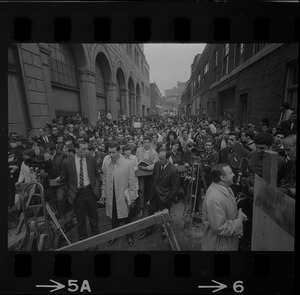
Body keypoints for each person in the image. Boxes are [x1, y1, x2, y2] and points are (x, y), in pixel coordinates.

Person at [60, 140, 100, 241]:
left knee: (94, 218)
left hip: (90, 192)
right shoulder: (67, 162)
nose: (86, 151)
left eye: (87, 148)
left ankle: (96, 239)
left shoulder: (91, 159)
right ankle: (83, 241)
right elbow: (62, 181)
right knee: (80, 220)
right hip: (77, 194)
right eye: (83, 149)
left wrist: (96, 187)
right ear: (76, 149)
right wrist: (69, 192)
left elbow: (97, 175)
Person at [201, 163, 247, 251]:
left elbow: (226, 211)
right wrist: (239, 221)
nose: (234, 174)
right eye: (230, 173)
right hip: (218, 246)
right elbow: (220, 228)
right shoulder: (216, 198)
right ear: (222, 177)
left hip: (226, 243)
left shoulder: (227, 189)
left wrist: (238, 214)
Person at [138, 150, 180, 240]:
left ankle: (164, 232)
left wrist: (169, 198)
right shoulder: (157, 165)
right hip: (154, 195)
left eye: (162, 159)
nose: (160, 160)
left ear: (168, 158)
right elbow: (154, 180)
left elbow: (175, 187)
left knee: (165, 217)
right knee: (150, 214)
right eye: (159, 158)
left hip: (165, 197)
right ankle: (148, 231)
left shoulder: (173, 170)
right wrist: (150, 196)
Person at [101, 141, 137, 247]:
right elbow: (104, 179)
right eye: (109, 153)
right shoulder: (106, 161)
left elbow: (132, 182)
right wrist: (103, 194)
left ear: (119, 151)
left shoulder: (127, 164)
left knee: (127, 217)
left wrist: (133, 197)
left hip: (123, 195)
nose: (111, 155)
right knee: (113, 217)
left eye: (113, 153)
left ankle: (129, 235)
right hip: (110, 195)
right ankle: (114, 235)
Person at [135, 136, 159, 217]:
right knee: (141, 190)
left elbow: (155, 164)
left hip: (149, 174)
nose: (146, 144)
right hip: (141, 173)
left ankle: (148, 204)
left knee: (149, 189)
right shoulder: (139, 150)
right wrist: (139, 166)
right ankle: (141, 208)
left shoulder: (154, 152)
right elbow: (136, 161)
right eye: (144, 142)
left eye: (147, 142)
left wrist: (146, 167)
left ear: (150, 143)